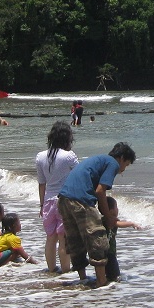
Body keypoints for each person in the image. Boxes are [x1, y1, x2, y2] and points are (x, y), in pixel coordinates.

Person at [57, 142, 136, 287]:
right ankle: (101, 281)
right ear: (122, 158)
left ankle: (83, 279)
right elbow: (100, 191)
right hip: (81, 201)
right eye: (126, 165)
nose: (123, 170)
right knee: (97, 240)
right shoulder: (112, 163)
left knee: (75, 240)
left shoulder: (98, 160)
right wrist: (109, 217)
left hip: (63, 199)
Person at [37, 121, 80, 273]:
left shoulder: (40, 156)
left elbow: (42, 184)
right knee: (63, 238)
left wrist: (41, 205)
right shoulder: (69, 156)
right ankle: (66, 271)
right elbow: (80, 175)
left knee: (50, 238)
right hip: (64, 200)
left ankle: (51, 270)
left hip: (48, 200)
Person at [102, 194, 141, 282]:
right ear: (111, 210)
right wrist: (131, 223)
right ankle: (112, 284)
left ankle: (106, 281)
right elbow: (120, 224)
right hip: (110, 252)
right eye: (116, 207)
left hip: (103, 251)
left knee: (107, 272)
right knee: (115, 275)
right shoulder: (111, 220)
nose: (117, 209)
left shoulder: (102, 219)